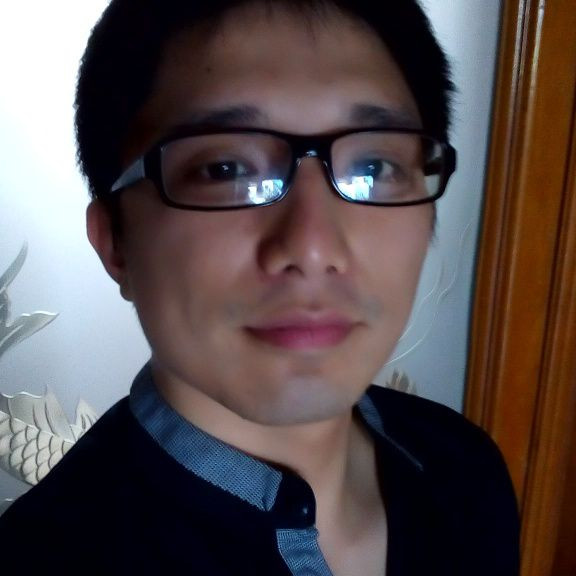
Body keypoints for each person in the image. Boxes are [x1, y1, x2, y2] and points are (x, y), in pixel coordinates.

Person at [0, 0, 520, 574]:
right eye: (225, 170)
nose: (313, 247)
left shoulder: (467, 471)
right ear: (116, 243)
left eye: (373, 167)